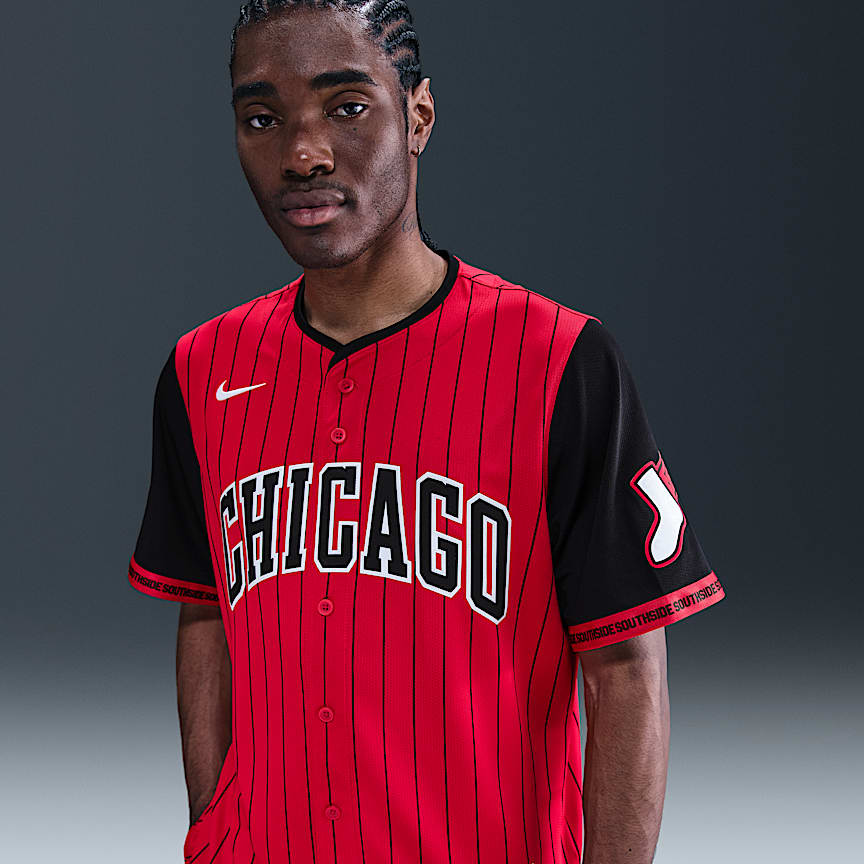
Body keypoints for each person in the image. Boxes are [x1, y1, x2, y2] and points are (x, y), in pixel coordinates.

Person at [128, 1, 725, 862]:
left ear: (418, 116)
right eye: (262, 119)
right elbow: (205, 618)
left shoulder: (560, 359)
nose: (303, 154)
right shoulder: (202, 368)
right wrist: (213, 832)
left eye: (346, 107)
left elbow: (627, 667)